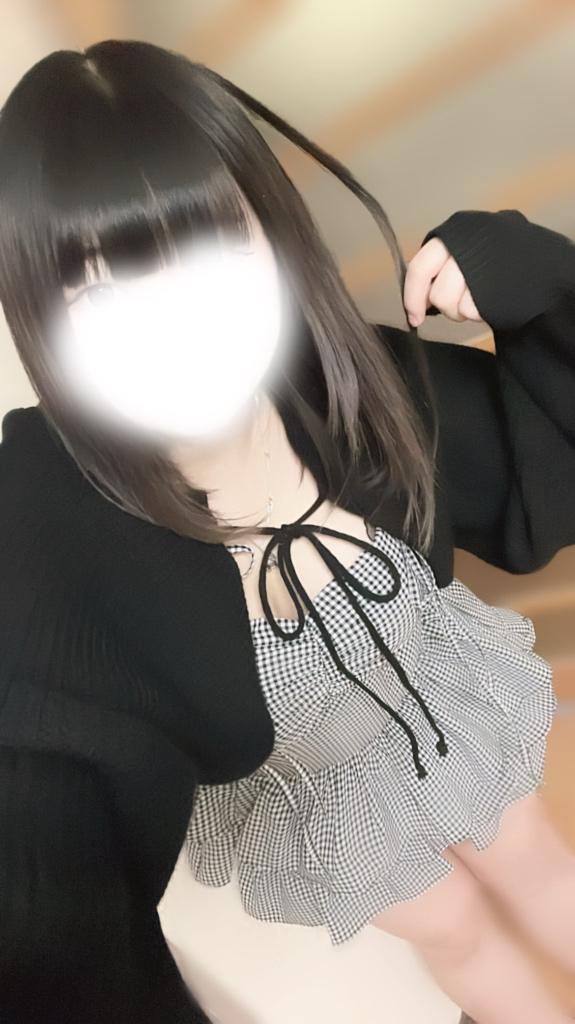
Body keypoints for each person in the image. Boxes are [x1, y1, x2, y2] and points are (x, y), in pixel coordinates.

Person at [0, 38, 574, 1024]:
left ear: (270, 234)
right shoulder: (60, 527)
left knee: (535, 863)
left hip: (451, 705)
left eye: (211, 246)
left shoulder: (355, 391)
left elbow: (546, 453)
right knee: (456, 933)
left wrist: (531, 280)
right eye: (99, 289)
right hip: (323, 797)